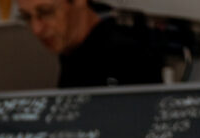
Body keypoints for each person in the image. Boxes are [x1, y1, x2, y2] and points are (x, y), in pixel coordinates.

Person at [17, 0, 163, 88]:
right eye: (26, 17)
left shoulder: (130, 57)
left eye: (46, 12)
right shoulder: (70, 52)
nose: (36, 29)